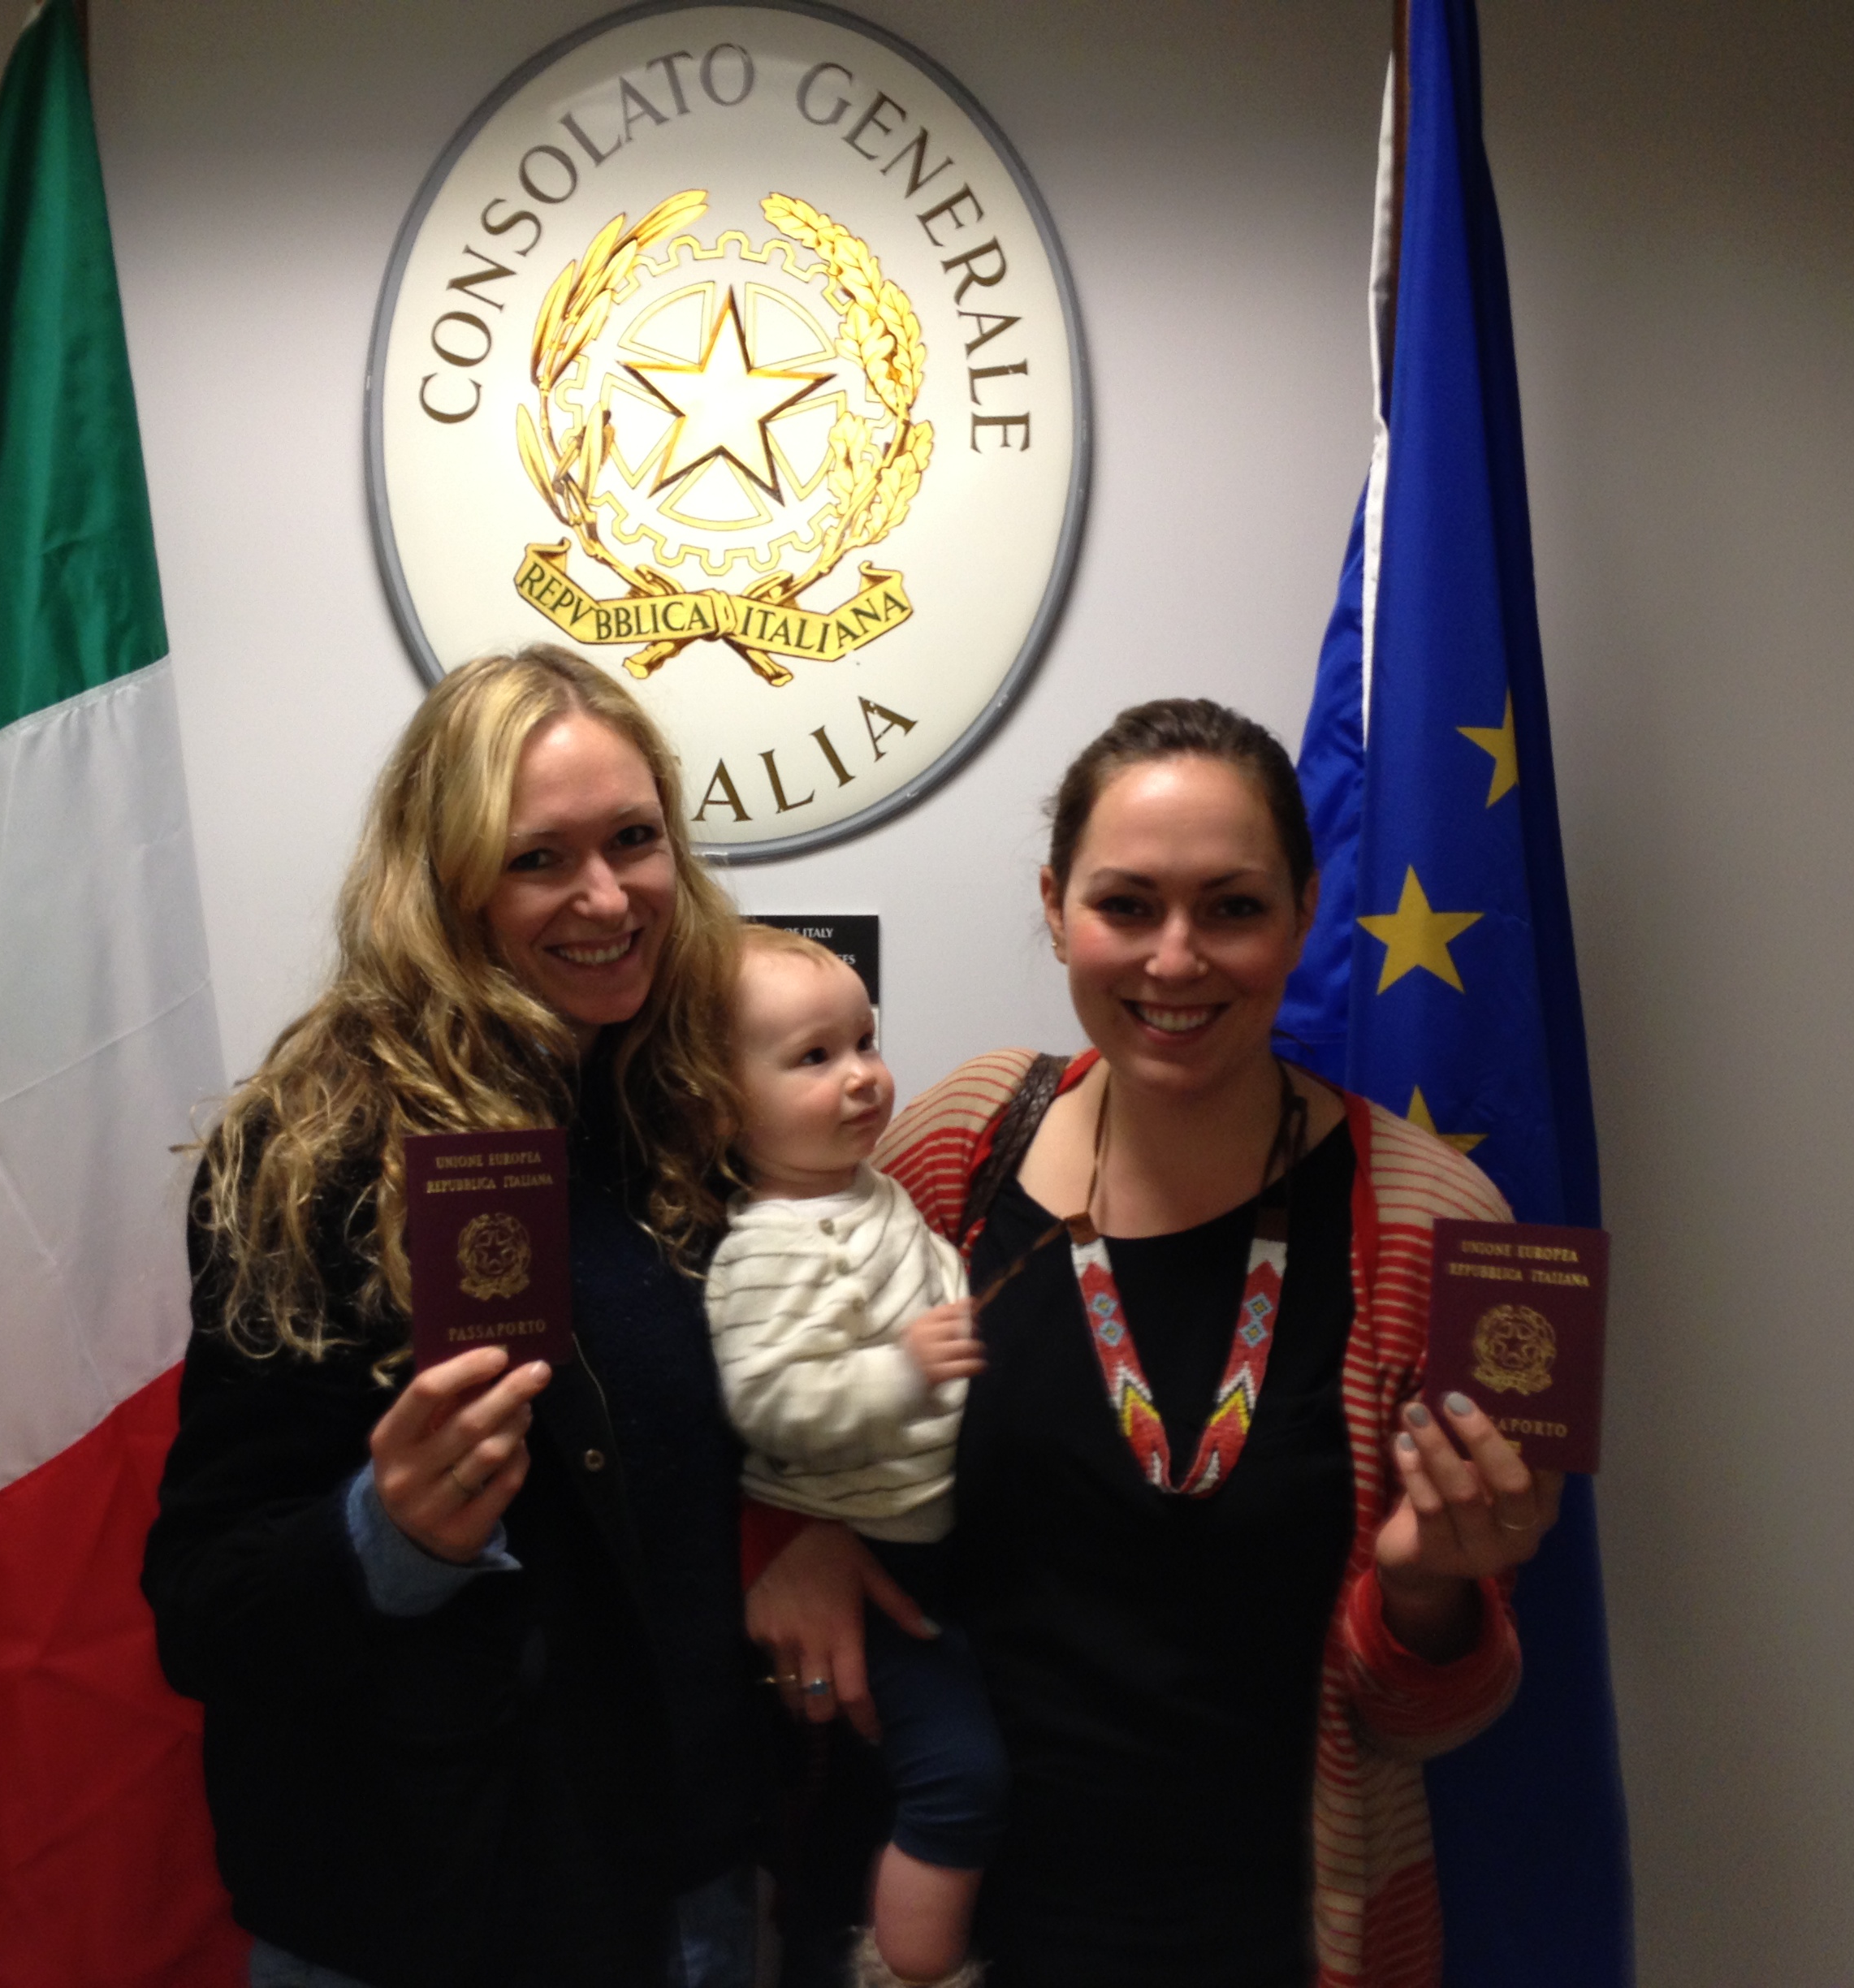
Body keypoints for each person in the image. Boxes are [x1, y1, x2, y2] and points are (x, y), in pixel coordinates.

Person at [748, 698, 1561, 1988]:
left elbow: (1427, 1722)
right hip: (921, 1935)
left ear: (1305, 913)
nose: (1174, 961)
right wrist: (785, 1538)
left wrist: (1429, 1592)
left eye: (1231, 908)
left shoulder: (1432, 1228)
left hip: (1263, 1942)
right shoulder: (960, 1148)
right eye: (1126, 906)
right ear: (1056, 905)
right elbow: (753, 1373)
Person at [143, 646, 767, 1988]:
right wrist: (389, 1534)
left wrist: (816, 1533)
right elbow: (201, 1610)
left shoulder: (704, 1111)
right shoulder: (315, 1154)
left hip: (692, 1885)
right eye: (539, 859)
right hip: (438, 1914)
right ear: (444, 882)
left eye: (635, 839)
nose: (607, 897)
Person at [703, 926, 1003, 1988]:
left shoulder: (866, 1190)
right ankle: (911, 1967)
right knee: (958, 1777)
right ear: (719, 1105)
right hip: (864, 1558)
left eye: (866, 1041)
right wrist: (903, 1371)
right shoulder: (771, 1245)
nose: (865, 1076)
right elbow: (768, 1401)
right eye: (815, 1058)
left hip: (923, 1534)